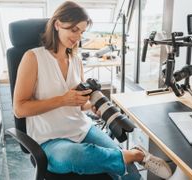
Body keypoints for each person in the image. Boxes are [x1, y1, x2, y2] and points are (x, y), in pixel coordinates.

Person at [13, 1, 172, 179]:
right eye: (74, 30)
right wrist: (63, 99)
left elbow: (80, 105)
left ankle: (130, 157)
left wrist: (91, 105)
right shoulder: (33, 58)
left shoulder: (76, 60)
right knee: (75, 155)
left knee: (126, 170)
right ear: (57, 24)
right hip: (50, 140)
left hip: (82, 128)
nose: (78, 37)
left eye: (81, 32)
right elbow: (19, 109)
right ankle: (135, 154)